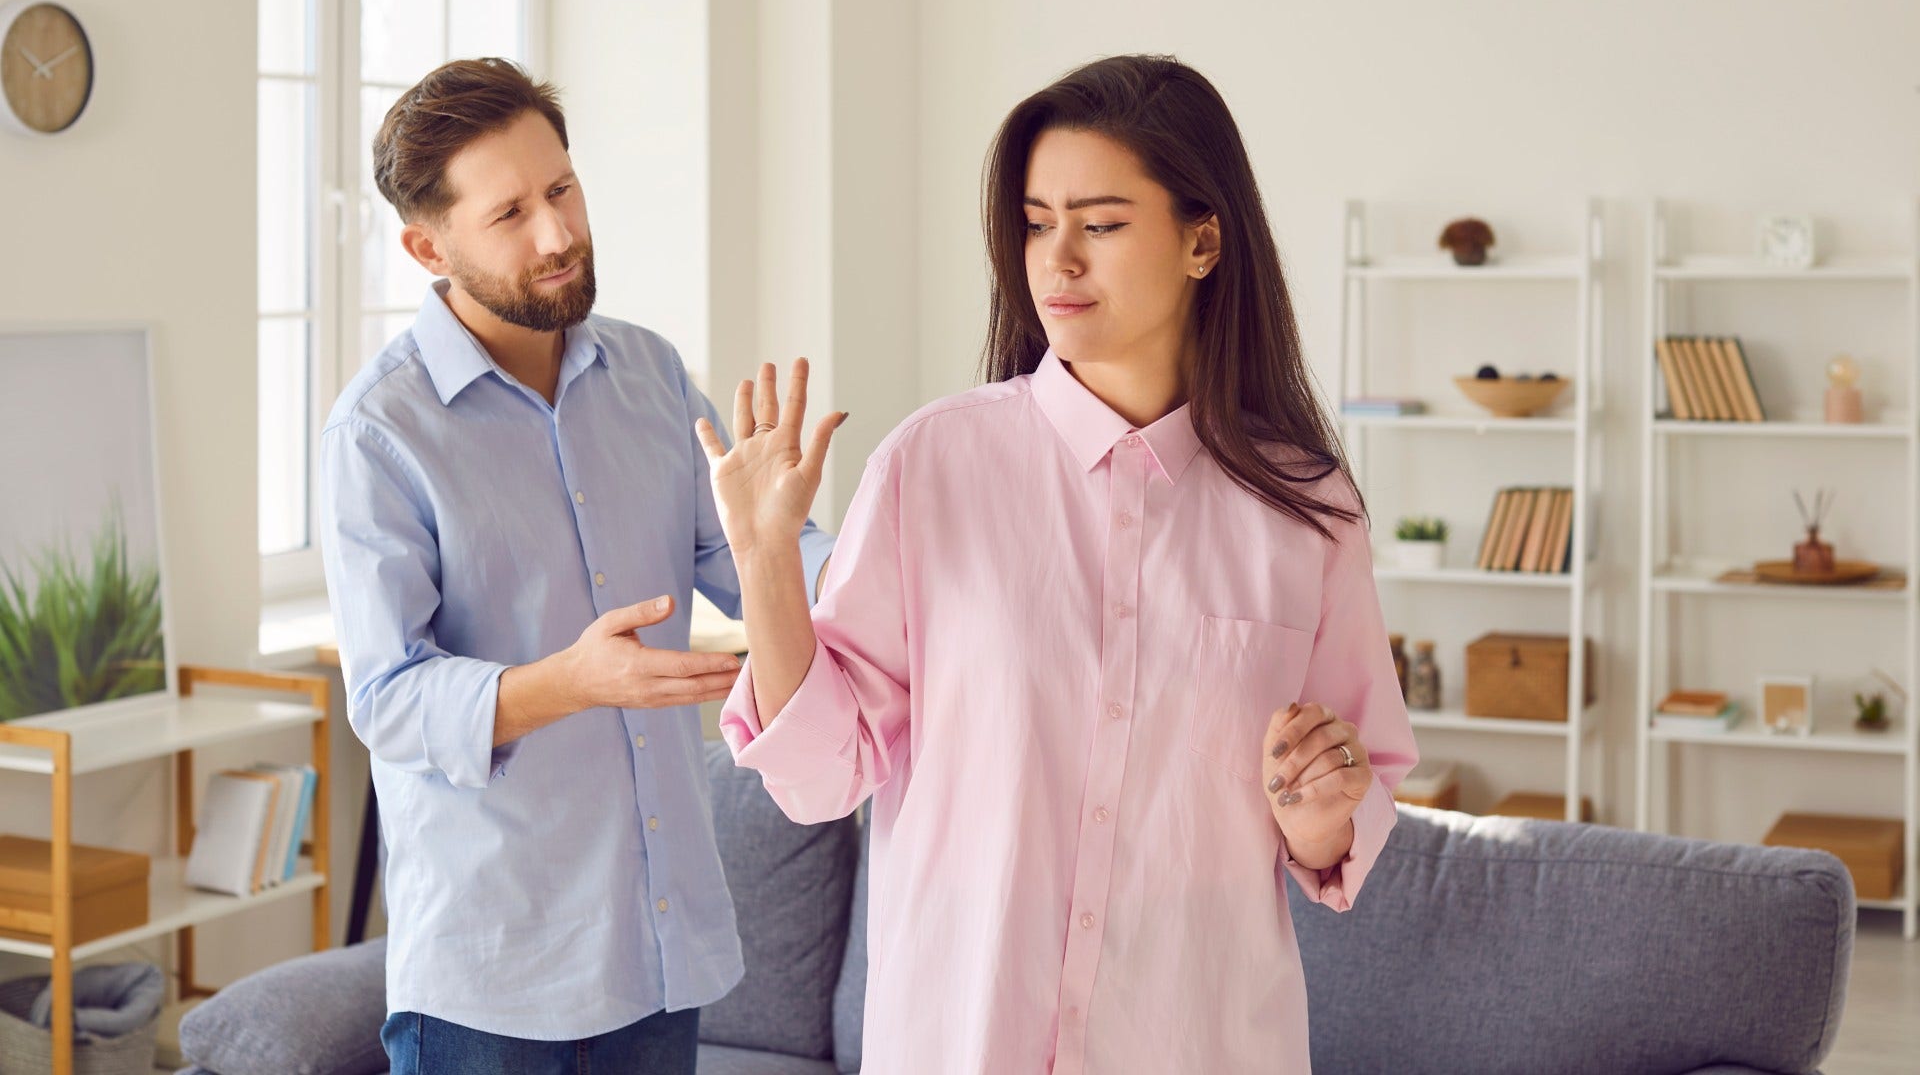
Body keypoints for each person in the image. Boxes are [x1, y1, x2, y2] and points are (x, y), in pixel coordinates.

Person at [703, 54, 1417, 1073]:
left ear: (1204, 240)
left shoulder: (1308, 510)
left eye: (1102, 225)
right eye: (1037, 225)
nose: (1057, 262)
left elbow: (1351, 804)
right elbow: (820, 780)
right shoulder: (931, 465)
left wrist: (1321, 814)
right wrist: (766, 560)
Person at [319, 58, 833, 1074]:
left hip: (660, 956)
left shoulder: (650, 373)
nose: (558, 234)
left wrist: (811, 549)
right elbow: (388, 698)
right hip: (492, 978)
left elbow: (741, 557)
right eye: (510, 213)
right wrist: (573, 682)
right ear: (428, 246)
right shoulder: (379, 432)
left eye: (561, 188)